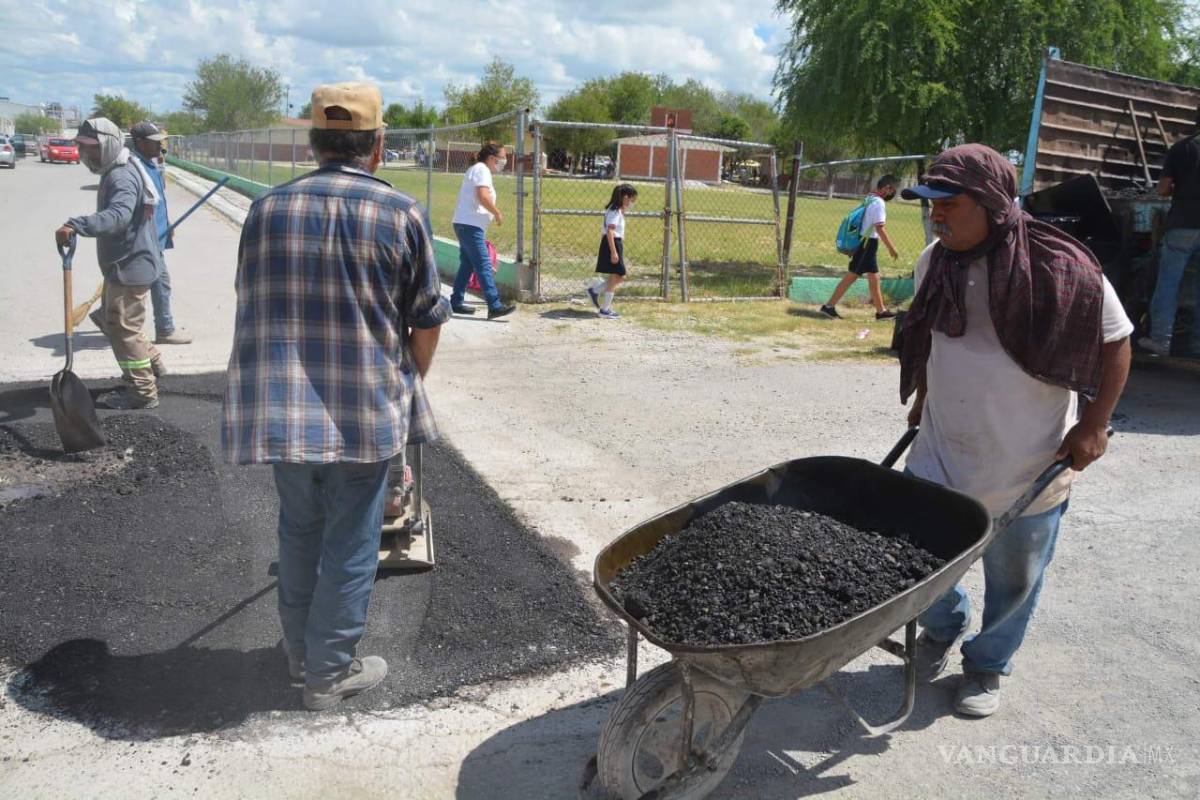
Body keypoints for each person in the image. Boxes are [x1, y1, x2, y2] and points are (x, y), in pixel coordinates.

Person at [222, 82, 450, 711]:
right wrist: (406, 385)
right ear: (377, 147)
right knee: (352, 541)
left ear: (314, 144)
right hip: (363, 414)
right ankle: (328, 673)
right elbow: (427, 317)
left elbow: (251, 298)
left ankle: (300, 658)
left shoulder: (265, 209)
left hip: (280, 412)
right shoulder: (400, 213)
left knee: (299, 531)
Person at [897, 144, 1132, 718]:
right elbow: (929, 334)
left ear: (992, 203)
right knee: (919, 556)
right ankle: (943, 624)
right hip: (942, 450)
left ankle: (986, 665)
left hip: (1029, 464)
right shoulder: (934, 261)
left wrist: (1094, 424)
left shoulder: (1062, 266)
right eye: (931, 204)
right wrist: (923, 398)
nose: (936, 215)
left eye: (949, 204)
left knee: (1015, 579)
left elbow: (1116, 340)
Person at [55, 117, 165, 410]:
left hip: (131, 267)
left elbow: (118, 216)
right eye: (82, 148)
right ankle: (153, 364)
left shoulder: (121, 176)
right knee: (112, 320)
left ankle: (142, 392)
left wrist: (76, 224)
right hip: (126, 265)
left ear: (108, 145)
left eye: (91, 148)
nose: (85, 154)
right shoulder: (118, 169)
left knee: (124, 330)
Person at [1140, 104, 1200, 357]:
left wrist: (1181, 189)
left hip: (1182, 226)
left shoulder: (1182, 148)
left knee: (1167, 284)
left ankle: (1161, 341)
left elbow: (1163, 189)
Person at [130, 121, 192, 345]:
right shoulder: (136, 168)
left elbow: (157, 201)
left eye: (160, 142)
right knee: (159, 282)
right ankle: (165, 329)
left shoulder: (151, 165)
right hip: (145, 238)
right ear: (140, 143)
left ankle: (108, 316)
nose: (160, 146)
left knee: (135, 283)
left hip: (155, 234)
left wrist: (167, 223)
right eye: (154, 143)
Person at [449, 141, 515, 320]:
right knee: (483, 265)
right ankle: (494, 305)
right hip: (470, 226)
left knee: (467, 265)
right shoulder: (482, 170)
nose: (504, 161)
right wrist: (497, 212)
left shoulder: (478, 169)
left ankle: (456, 301)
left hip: (466, 224)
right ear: (492, 158)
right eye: (502, 158)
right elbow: (482, 196)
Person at [820, 175, 900, 320]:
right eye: (892, 190)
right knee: (852, 275)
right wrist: (891, 248)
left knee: (874, 277)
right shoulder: (879, 203)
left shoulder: (870, 198)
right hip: (867, 244)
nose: (893, 193)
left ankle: (881, 312)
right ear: (886, 188)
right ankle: (828, 307)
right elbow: (880, 227)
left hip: (866, 243)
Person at [585, 184, 638, 319]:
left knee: (618, 276)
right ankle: (604, 309)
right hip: (612, 243)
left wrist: (623, 209)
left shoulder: (617, 210)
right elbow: (610, 231)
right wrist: (614, 252)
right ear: (624, 197)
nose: (632, 202)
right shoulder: (614, 211)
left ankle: (595, 291)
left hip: (614, 243)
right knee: (618, 276)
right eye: (631, 199)